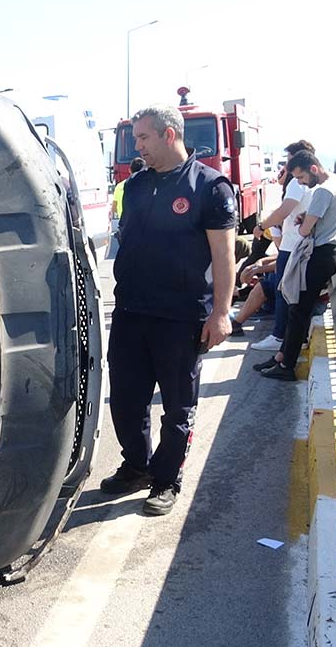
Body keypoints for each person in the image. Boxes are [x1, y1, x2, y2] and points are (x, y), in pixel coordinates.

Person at [101, 104, 237, 516]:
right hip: (131, 312)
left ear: (169, 135)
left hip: (180, 317)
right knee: (125, 399)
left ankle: (166, 479)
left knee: (177, 406)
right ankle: (137, 465)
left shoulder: (210, 187)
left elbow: (224, 254)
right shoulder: (138, 184)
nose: (136, 146)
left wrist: (221, 312)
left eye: (142, 138)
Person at [259, 151, 336, 380]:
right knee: (299, 308)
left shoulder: (322, 190)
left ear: (313, 169)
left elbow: (304, 230)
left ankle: (285, 364)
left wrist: (304, 223)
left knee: (298, 308)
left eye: (301, 178)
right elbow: (319, 218)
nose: (300, 183)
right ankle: (282, 357)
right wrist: (309, 218)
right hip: (335, 249)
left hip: (320, 253)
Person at [250, 140, 317, 351]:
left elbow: (283, 210)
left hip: (292, 245)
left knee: (283, 291)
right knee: (286, 290)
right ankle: (283, 336)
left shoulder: (298, 183)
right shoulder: (308, 181)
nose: (287, 167)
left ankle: (279, 336)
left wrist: (262, 226)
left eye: (289, 162)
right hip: (297, 243)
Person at [113, 157, 147, 221]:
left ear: (129, 170)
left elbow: (114, 208)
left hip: (124, 223)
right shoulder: (148, 185)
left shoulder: (120, 186)